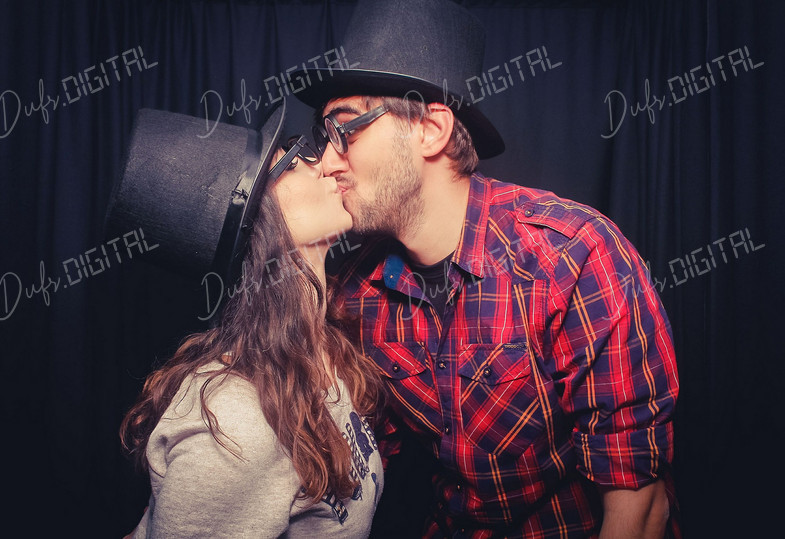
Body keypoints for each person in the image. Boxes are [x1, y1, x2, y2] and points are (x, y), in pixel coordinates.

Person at [292, 0, 680, 537]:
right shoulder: (356, 293)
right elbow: (342, 460)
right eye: (324, 137)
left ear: (430, 130)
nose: (328, 161)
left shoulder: (572, 257)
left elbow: (640, 507)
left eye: (345, 130)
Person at [115, 104, 386, 538]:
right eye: (294, 160)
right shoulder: (236, 423)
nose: (327, 164)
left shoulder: (324, 350)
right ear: (259, 224)